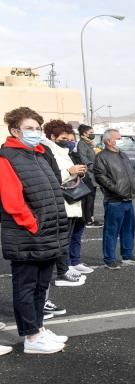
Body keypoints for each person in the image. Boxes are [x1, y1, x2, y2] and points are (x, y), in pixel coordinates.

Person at [0, 107, 70, 354]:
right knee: (27, 287)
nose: (35, 133)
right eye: (29, 129)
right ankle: (31, 337)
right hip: (28, 236)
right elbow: (12, 202)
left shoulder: (38, 155)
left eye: (37, 128)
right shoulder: (7, 157)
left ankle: (38, 328)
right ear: (15, 130)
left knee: (42, 286)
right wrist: (33, 225)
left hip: (47, 235)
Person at [41, 120, 93, 282]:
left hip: (73, 200)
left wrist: (78, 173)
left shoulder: (62, 152)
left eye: (70, 139)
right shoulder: (48, 152)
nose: (69, 141)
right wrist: (69, 171)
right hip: (62, 202)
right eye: (64, 138)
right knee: (62, 239)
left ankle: (68, 266)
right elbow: (51, 177)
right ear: (52, 136)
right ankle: (63, 270)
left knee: (69, 237)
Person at [94, 129, 135, 269]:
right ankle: (109, 258)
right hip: (114, 200)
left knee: (128, 229)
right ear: (109, 141)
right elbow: (101, 177)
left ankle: (127, 254)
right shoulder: (101, 157)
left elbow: (131, 172)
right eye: (118, 138)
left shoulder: (122, 155)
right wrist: (118, 190)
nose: (121, 140)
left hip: (128, 199)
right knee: (111, 231)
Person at [76, 124, 100, 227]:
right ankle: (88, 220)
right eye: (91, 132)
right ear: (84, 133)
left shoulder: (89, 144)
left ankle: (90, 217)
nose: (93, 134)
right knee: (88, 198)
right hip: (88, 175)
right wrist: (94, 168)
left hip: (92, 174)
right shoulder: (82, 144)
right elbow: (84, 159)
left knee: (91, 197)